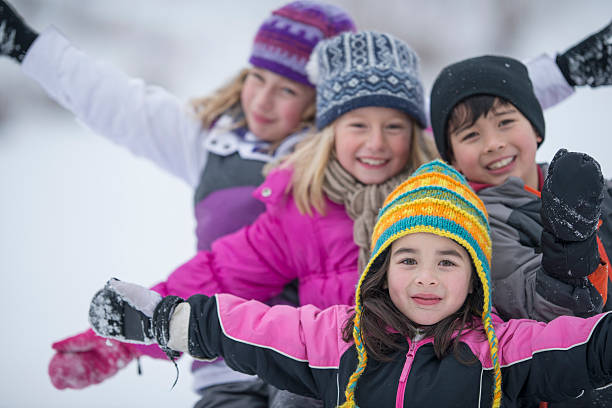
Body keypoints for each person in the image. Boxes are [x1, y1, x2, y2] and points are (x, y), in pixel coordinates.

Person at [48, 28, 439, 403]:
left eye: (393, 127)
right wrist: (121, 341)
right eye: (358, 125)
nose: (376, 143)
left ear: (415, 134)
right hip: (330, 385)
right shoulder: (302, 210)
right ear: (330, 131)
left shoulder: (441, 202)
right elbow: (219, 272)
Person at [0, 0, 356, 406]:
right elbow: (123, 106)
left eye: (287, 90)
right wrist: (29, 48)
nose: (261, 101)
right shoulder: (212, 142)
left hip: (305, 362)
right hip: (221, 358)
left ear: (320, 99)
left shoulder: (346, 160)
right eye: (256, 78)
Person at [86, 160, 612, 408]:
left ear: (474, 276)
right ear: (382, 269)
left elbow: (579, 347)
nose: (426, 276)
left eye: (448, 262)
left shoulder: (501, 350)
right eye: (408, 259)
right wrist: (163, 319)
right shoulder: (341, 339)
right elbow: (253, 329)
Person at [429, 51, 612, 407]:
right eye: (471, 134)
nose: (493, 143)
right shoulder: (478, 222)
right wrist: (569, 247)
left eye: (505, 122)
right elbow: (537, 306)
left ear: (535, 126)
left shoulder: (584, 184)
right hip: (570, 387)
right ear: (450, 157)